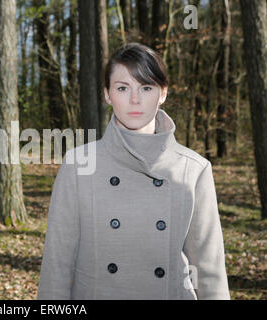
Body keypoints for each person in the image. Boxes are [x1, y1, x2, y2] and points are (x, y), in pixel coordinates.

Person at [37, 42, 230, 300]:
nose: (135, 99)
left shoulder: (194, 169)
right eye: (122, 88)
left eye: (146, 87)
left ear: (162, 93)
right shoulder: (78, 165)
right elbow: (56, 266)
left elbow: (209, 269)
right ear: (107, 94)